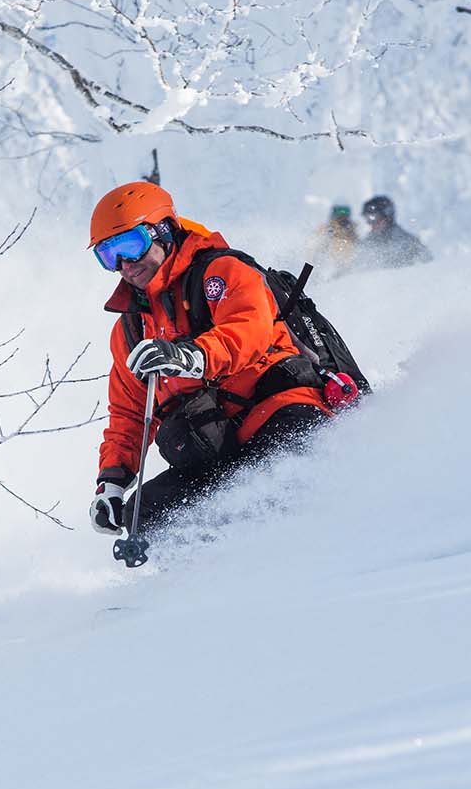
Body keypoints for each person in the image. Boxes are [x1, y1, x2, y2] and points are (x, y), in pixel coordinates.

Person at [87, 181, 332, 541]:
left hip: (278, 413)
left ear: (164, 230)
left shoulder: (220, 272)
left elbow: (249, 329)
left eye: (130, 246)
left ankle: (319, 554)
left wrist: (191, 356)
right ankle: (205, 585)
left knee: (290, 459)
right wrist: (111, 483)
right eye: (109, 256)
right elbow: (128, 415)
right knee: (146, 517)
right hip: (214, 451)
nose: (125, 264)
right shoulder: (131, 330)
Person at [356, 194, 432, 270]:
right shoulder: (367, 243)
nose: (370, 223)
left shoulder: (407, 243)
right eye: (367, 218)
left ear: (387, 216)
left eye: (373, 217)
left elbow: (427, 268)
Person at [306, 202, 359, 276]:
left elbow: (358, 251)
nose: (342, 222)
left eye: (345, 219)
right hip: (327, 269)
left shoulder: (354, 232)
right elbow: (315, 248)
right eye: (339, 218)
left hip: (347, 270)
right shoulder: (326, 230)